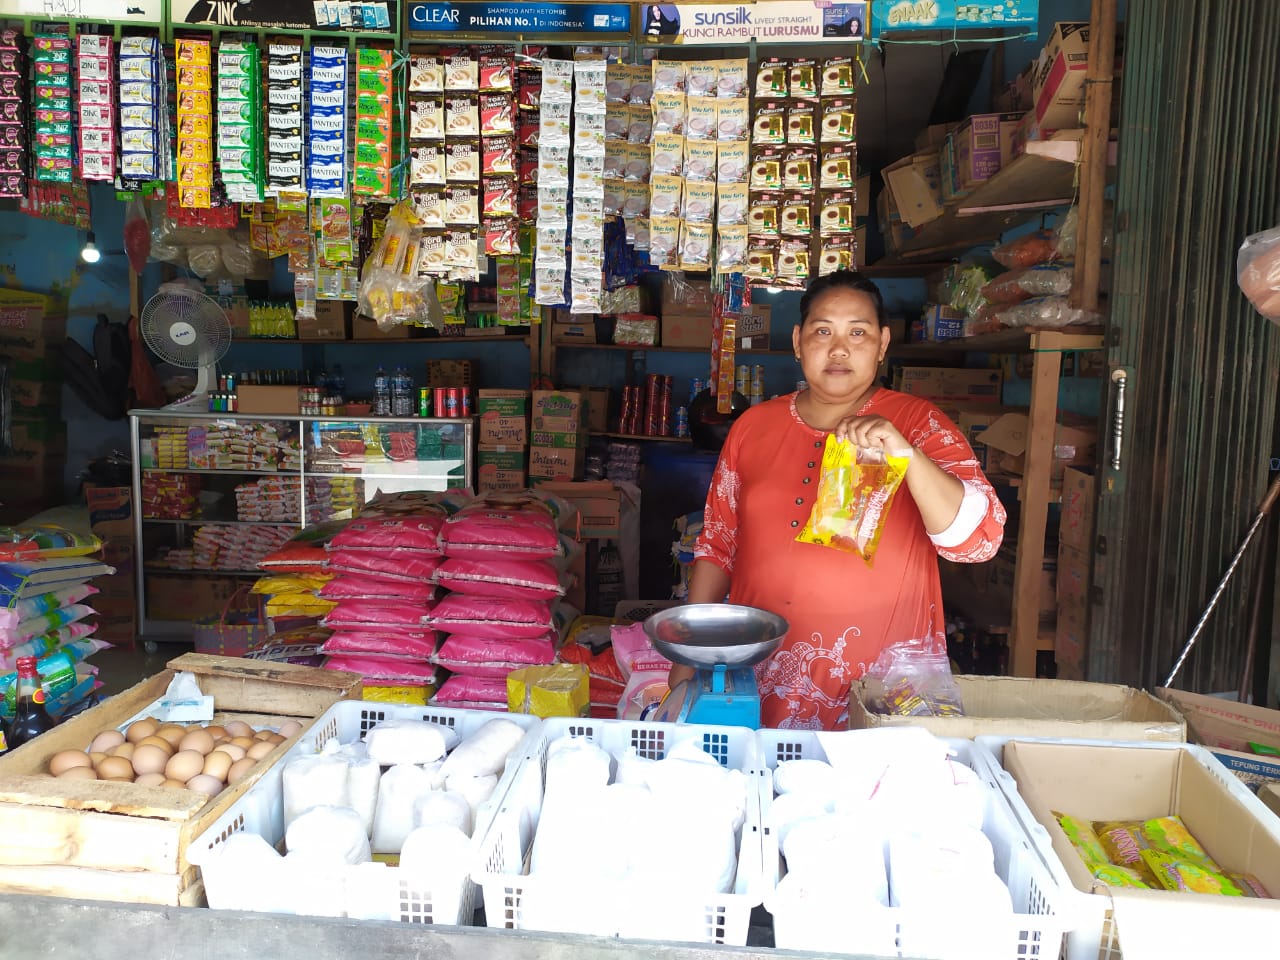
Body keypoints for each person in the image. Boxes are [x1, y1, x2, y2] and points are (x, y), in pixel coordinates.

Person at [671, 271, 1006, 730]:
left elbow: (977, 543)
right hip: (762, 676)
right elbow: (717, 544)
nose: (840, 348)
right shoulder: (753, 427)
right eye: (823, 331)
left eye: (859, 332)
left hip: (882, 687)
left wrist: (905, 454)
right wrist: (686, 663)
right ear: (797, 340)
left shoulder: (921, 423)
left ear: (883, 343)